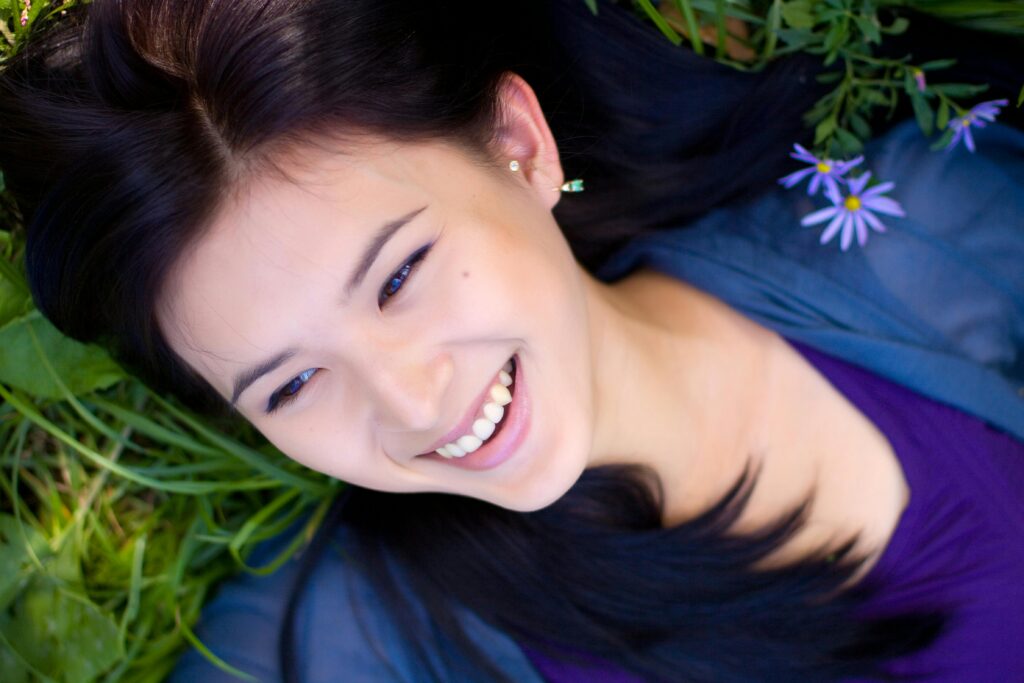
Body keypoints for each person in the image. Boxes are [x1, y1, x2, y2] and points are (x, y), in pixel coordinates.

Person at [1, 0, 1021, 681]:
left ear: (517, 148)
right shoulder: (342, 637)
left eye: (399, 274)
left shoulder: (926, 235)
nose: (410, 402)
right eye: (293, 381)